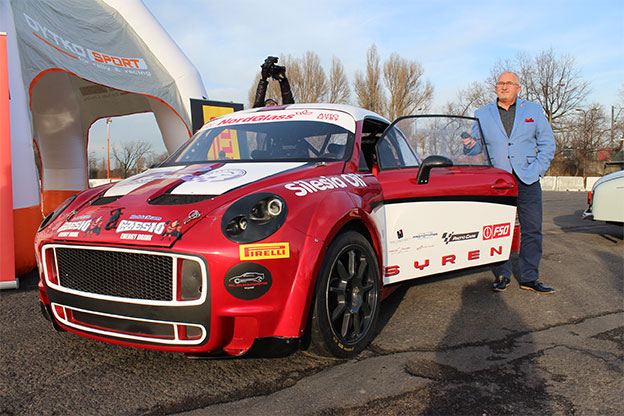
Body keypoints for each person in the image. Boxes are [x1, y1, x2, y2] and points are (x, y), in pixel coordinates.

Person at [463, 71, 556, 294]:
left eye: (509, 83)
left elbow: (547, 144)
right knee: (497, 230)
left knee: (532, 229)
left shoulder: (533, 111)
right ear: (495, 87)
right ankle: (503, 273)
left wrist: (538, 170)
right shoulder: (481, 114)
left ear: (518, 88)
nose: (504, 87)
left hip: (528, 179)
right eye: (500, 83)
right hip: (498, 181)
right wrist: (469, 145)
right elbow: (477, 147)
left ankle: (530, 277)